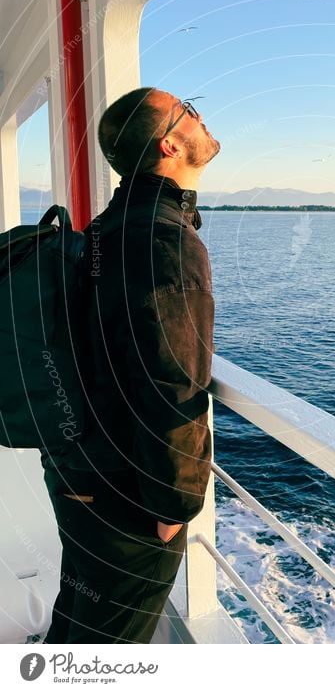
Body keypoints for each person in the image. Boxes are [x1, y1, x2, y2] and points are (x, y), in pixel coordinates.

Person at [41, 87, 221, 643]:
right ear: (170, 144)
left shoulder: (108, 228)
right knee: (111, 646)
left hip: (81, 469)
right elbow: (170, 382)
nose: (199, 111)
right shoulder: (161, 240)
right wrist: (175, 504)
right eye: (188, 108)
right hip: (125, 495)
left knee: (82, 612)